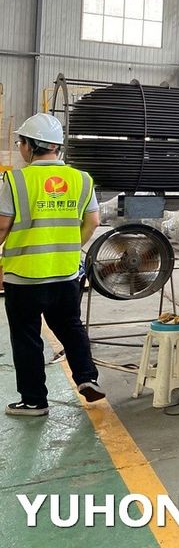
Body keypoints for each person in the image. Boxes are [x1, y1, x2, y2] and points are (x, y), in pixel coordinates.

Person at [0, 113, 104, 416]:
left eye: (21, 142)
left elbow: (2, 226)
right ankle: (87, 378)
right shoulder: (82, 179)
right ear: (56, 146)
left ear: (31, 146)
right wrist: (69, 247)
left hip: (25, 277)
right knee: (70, 326)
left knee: (27, 337)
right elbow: (93, 221)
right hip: (66, 273)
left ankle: (34, 401)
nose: (20, 148)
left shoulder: (16, 180)